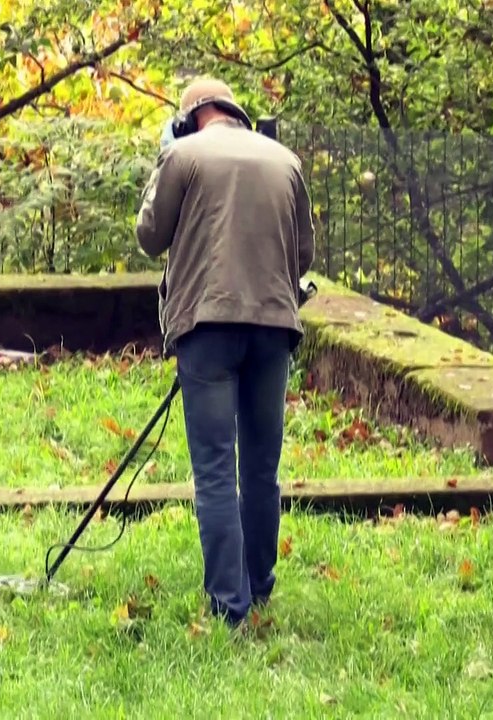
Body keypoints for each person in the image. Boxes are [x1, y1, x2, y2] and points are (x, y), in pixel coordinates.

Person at [134, 77, 315, 629]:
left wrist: (165, 158)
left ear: (189, 118)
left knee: (214, 467)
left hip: (207, 327)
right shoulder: (286, 161)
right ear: (236, 113)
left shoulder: (182, 155)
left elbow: (150, 235)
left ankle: (227, 607)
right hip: (274, 327)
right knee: (261, 468)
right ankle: (258, 590)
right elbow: (305, 251)